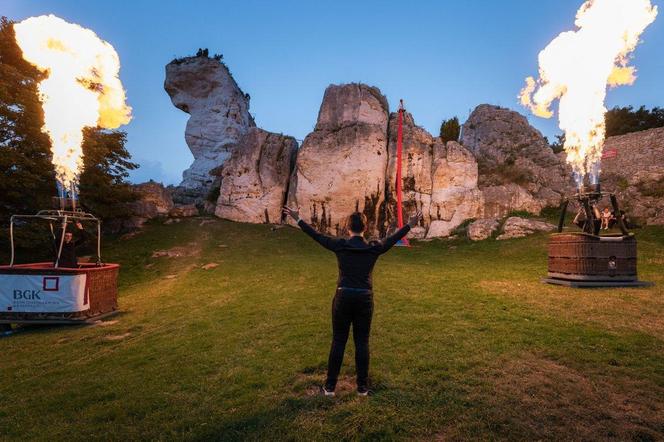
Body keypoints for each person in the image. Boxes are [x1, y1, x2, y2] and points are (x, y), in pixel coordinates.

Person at [283, 206, 422, 397]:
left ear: (348, 228)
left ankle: (330, 388)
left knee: (339, 340)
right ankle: (362, 389)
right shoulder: (373, 247)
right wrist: (409, 225)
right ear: (365, 228)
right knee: (362, 342)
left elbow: (316, 236)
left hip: (343, 296)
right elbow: (392, 240)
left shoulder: (341, 245)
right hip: (364, 297)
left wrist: (298, 220)